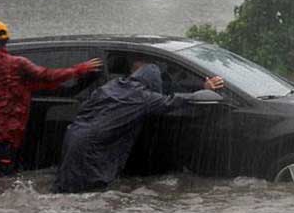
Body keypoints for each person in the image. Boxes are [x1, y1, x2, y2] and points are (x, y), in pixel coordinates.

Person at [0, 20, 102, 179]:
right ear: (7, 41)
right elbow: (49, 76)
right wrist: (78, 69)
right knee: (4, 183)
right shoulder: (19, 64)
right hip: (2, 135)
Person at [53, 61, 224, 193]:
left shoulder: (113, 85)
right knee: (90, 190)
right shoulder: (142, 97)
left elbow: (86, 107)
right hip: (95, 146)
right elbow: (172, 101)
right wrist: (203, 90)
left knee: (67, 186)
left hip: (74, 135)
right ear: (152, 81)